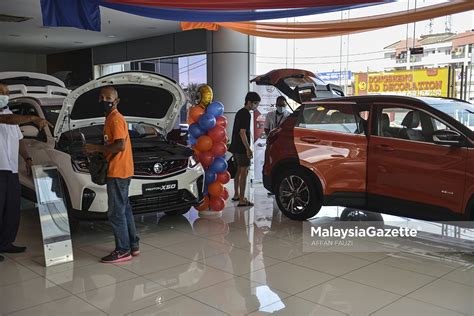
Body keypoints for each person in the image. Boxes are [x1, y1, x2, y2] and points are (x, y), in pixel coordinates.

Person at [84, 86, 139, 263]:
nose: (104, 100)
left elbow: (120, 145)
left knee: (116, 213)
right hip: (124, 169)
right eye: (101, 97)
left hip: (117, 170)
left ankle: (123, 250)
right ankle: (133, 244)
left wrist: (95, 148)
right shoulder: (111, 118)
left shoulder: (115, 119)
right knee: (125, 209)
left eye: (108, 97)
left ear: (116, 101)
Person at [0, 81, 50, 262]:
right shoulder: (8, 117)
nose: (4, 95)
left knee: (12, 209)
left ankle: (6, 243)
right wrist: (33, 119)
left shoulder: (9, 113)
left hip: (11, 169)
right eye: (1, 92)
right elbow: (8, 121)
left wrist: (27, 158)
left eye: (6, 92)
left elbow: (19, 139)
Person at [229, 92, 261, 207]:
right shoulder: (246, 114)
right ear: (249, 102)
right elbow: (242, 133)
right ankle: (242, 199)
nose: (256, 106)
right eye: (255, 103)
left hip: (235, 147)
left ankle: (237, 195)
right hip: (241, 148)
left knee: (238, 171)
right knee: (244, 172)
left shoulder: (239, 112)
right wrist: (248, 149)